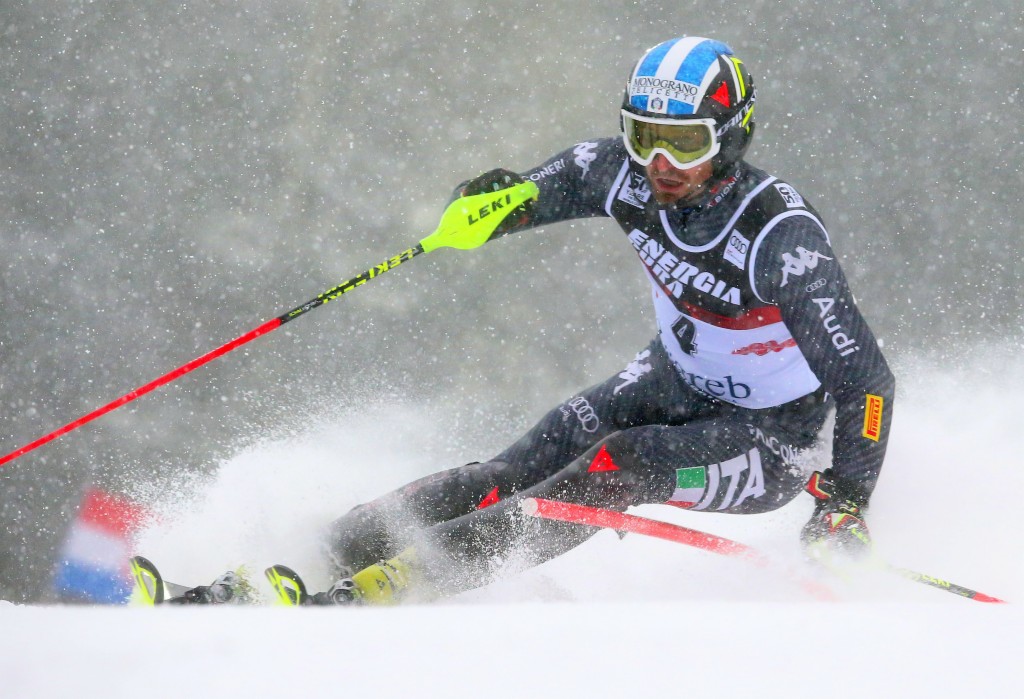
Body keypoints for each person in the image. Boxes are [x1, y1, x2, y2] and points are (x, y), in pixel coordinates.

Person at [184, 36, 895, 605]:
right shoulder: (623, 173)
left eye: (683, 143)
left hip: (772, 436)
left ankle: (404, 582)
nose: (659, 163)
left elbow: (866, 378)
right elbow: (554, 184)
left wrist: (846, 503)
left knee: (619, 465)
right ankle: (314, 554)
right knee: (513, 467)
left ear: (730, 138)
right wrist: (497, 205)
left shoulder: (780, 238)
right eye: (644, 134)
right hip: (675, 375)